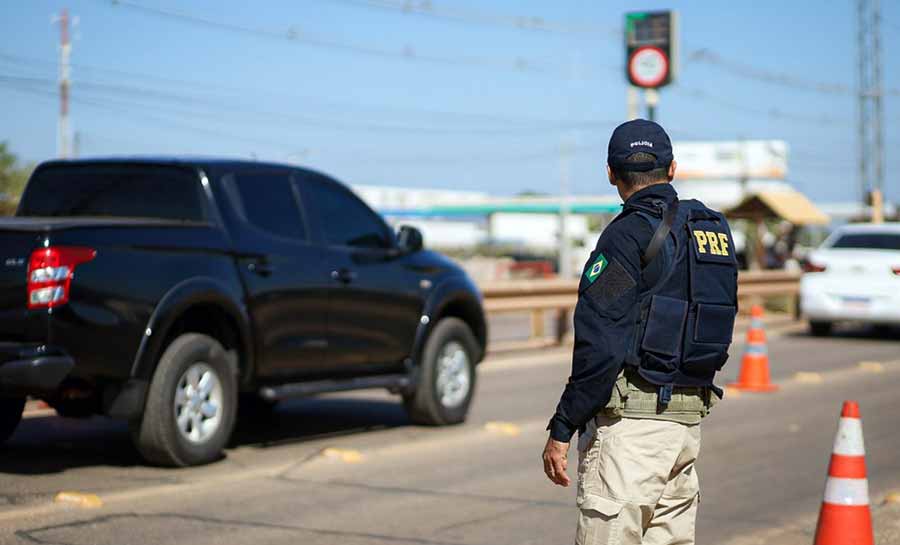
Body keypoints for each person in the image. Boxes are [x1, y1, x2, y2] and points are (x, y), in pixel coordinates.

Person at [541, 119, 738, 545]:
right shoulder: (711, 233)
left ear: (611, 174)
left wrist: (562, 427)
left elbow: (601, 345)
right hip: (686, 429)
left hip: (631, 438)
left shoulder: (626, 236)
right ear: (672, 170)